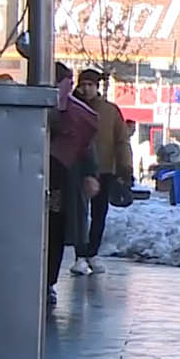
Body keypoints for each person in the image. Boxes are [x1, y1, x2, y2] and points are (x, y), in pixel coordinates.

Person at [47, 62, 101, 306]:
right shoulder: (39, 106)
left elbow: (86, 145)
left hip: (60, 180)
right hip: (40, 177)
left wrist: (91, 173)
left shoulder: (78, 113)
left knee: (54, 229)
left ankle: (48, 281)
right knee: (47, 231)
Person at [68, 69, 132, 274]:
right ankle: (80, 255)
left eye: (90, 85)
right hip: (77, 168)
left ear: (97, 87)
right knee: (80, 214)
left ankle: (92, 252)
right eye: (83, 84)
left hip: (104, 169)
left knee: (99, 214)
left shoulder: (110, 111)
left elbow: (121, 141)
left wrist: (125, 168)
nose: (86, 89)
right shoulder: (72, 108)